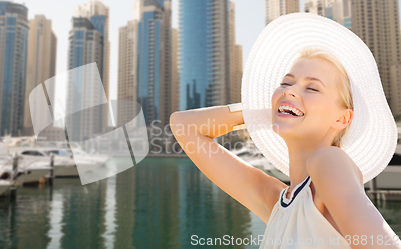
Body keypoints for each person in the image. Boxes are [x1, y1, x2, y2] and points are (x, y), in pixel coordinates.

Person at [170, 13, 400, 248]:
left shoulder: (329, 160)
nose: (290, 90)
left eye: (312, 88)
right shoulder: (278, 203)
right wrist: (273, 108)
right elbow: (184, 126)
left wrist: (285, 105)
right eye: (286, 83)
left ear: (342, 118)